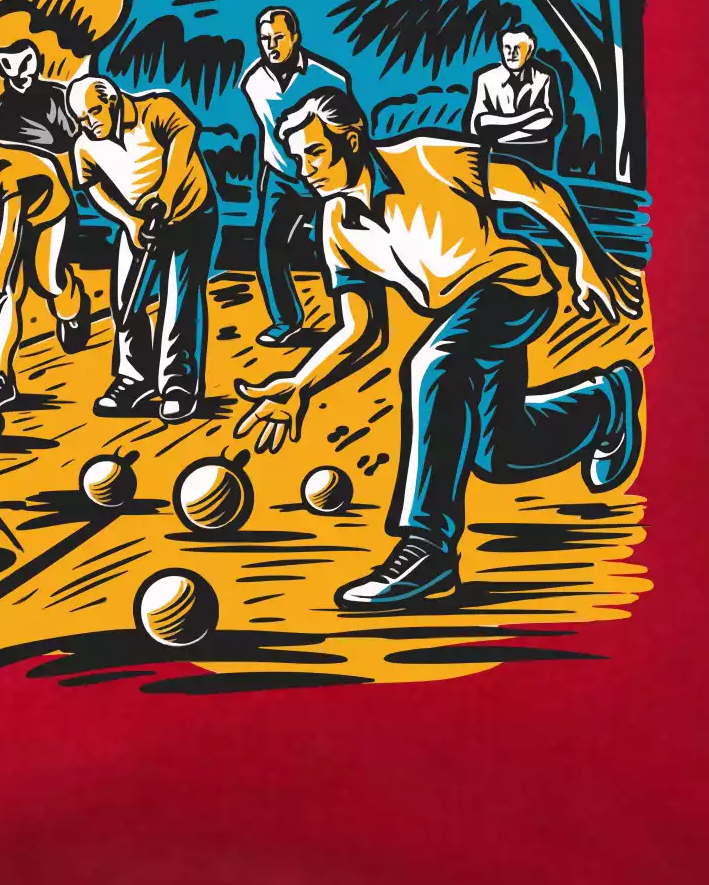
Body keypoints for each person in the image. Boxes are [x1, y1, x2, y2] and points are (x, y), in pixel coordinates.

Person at [233, 87, 645, 612]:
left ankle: (427, 548)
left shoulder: (429, 157)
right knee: (499, 454)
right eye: (296, 157)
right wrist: (299, 385)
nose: (304, 168)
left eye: (314, 151)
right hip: (464, 313)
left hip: (515, 288)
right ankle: (606, 402)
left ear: (352, 140)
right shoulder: (336, 227)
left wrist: (586, 256)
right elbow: (361, 330)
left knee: (435, 365)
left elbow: (534, 186)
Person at [67, 74, 216, 421]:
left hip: (190, 214)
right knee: (125, 301)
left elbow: (184, 140)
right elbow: (94, 188)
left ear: (113, 101)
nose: (88, 124)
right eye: (81, 119)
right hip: (139, 225)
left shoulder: (157, 108)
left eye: (94, 113)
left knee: (179, 299)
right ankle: (135, 379)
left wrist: (166, 194)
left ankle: (178, 383)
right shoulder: (84, 145)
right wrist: (129, 221)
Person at [0, 123, 91, 413]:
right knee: (7, 296)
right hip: (8, 215)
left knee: (47, 280)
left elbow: (12, 227)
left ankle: (72, 306)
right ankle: (0, 379)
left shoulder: (5, 169)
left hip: (49, 212)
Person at [237, 6, 354, 347]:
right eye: (264, 39)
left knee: (331, 247)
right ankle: (285, 322)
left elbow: (347, 132)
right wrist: (266, 173)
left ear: (295, 37)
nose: (271, 45)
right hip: (280, 177)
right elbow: (266, 132)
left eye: (278, 37)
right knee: (268, 246)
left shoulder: (330, 80)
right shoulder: (252, 83)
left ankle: (349, 319)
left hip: (323, 178)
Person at [467, 26, 565, 172]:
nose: (512, 53)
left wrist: (498, 131)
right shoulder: (485, 78)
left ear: (530, 50)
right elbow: (477, 126)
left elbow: (552, 124)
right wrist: (533, 116)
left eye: (518, 48)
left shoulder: (546, 77)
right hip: (496, 158)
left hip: (536, 157)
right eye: (507, 47)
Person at [0, 43, 77, 155]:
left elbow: (70, 140)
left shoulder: (60, 94)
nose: (21, 69)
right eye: (9, 63)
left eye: (27, 60)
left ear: (37, 59)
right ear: (0, 66)